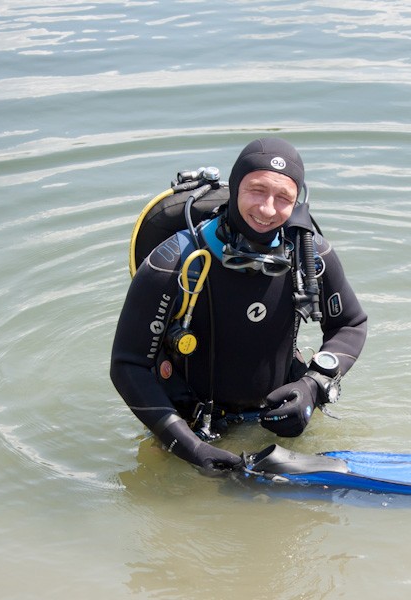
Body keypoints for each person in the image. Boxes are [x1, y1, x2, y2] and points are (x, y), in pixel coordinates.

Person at [110, 138, 368, 474]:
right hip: (185, 422)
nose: (267, 209)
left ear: (297, 201)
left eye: (283, 198)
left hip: (279, 416)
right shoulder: (176, 260)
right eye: (257, 190)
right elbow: (128, 364)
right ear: (234, 188)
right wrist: (186, 446)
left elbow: (350, 324)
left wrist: (312, 386)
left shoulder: (310, 254)